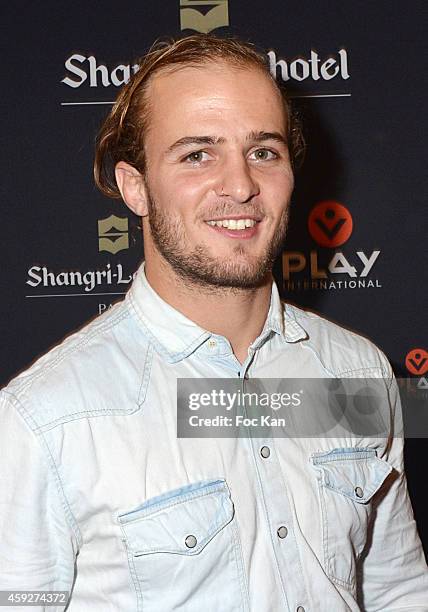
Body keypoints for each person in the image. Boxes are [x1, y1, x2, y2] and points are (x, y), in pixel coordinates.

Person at [1, 34, 427, 612]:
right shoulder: (45, 418)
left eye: (264, 151)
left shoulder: (359, 370)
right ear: (135, 188)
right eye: (197, 154)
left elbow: (396, 588)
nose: (241, 185)